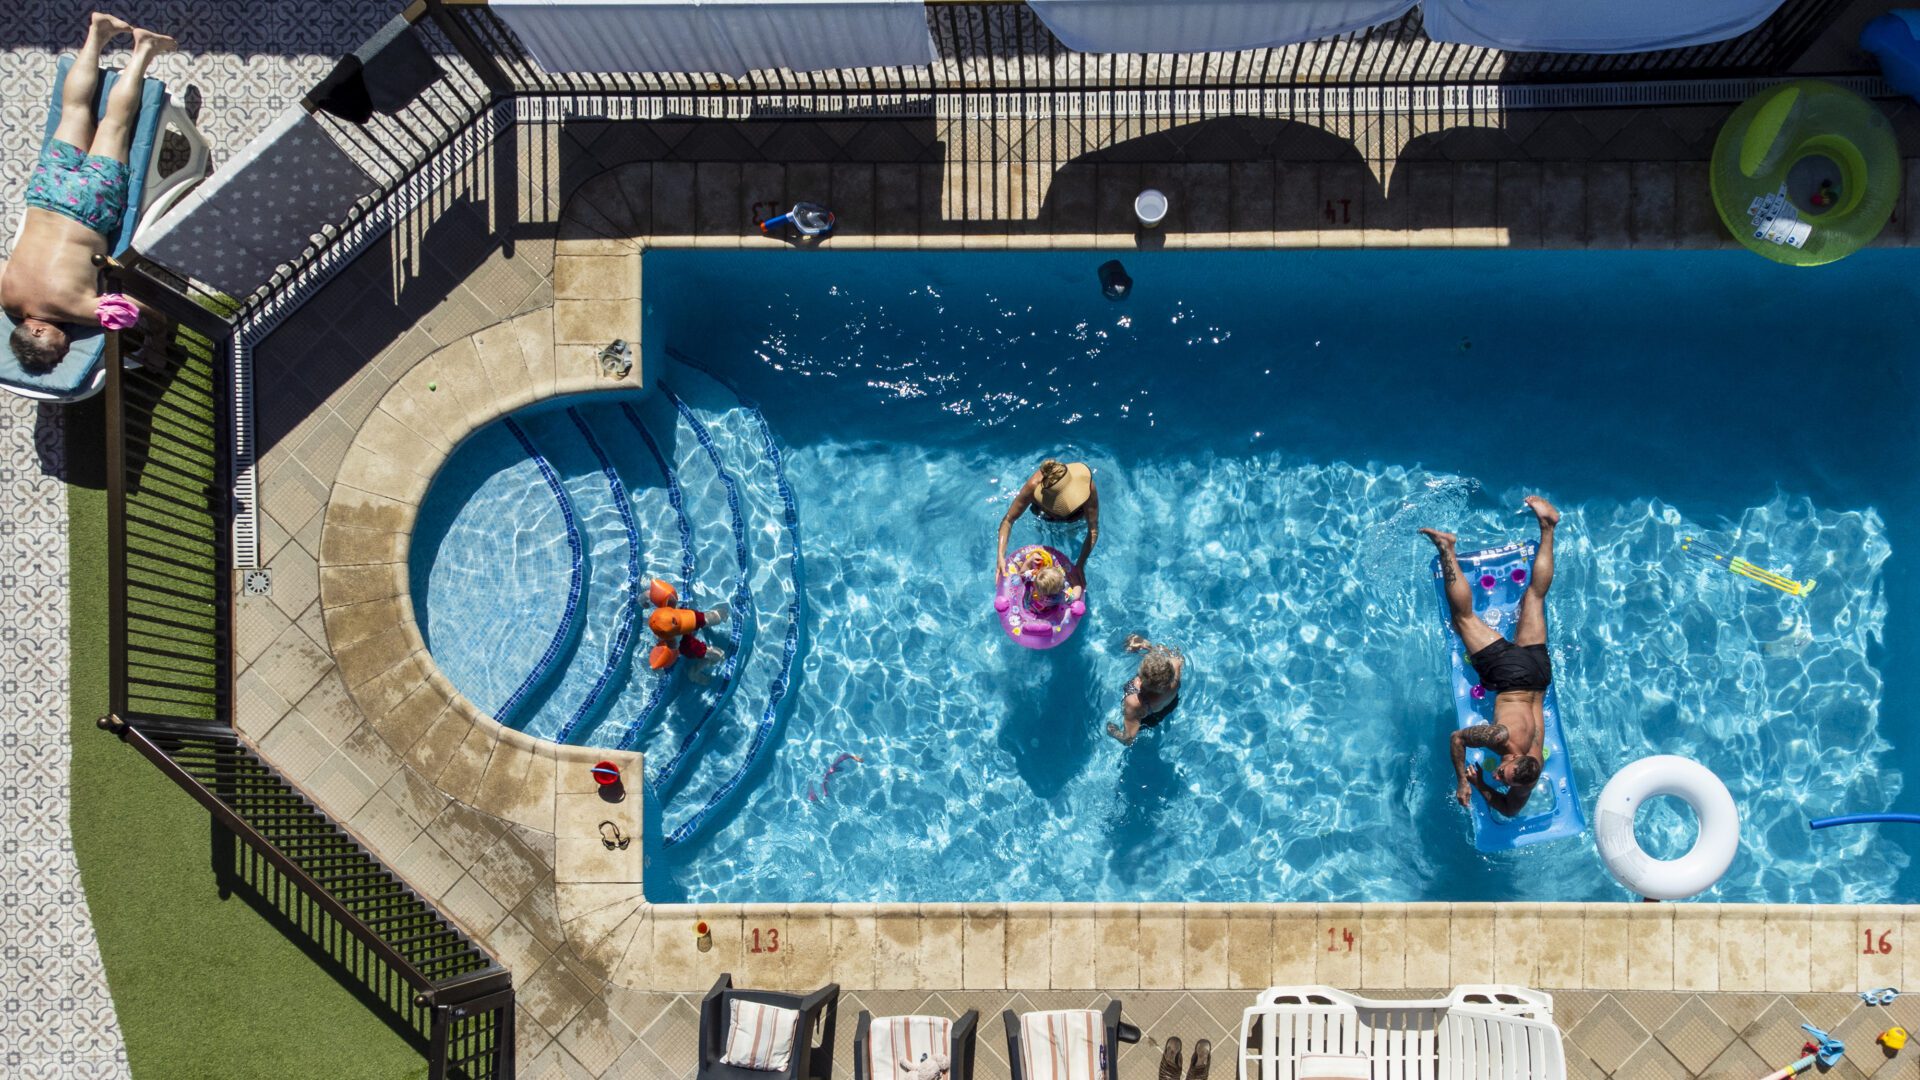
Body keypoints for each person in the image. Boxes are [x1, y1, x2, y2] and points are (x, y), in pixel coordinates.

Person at [0, 14, 175, 373]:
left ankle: (144, 48)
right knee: (74, 110)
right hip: (46, 194)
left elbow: (142, 310)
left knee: (115, 124)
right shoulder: (6, 296)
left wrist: (158, 339)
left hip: (88, 204)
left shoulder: (72, 310)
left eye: (53, 351)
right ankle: (97, 33)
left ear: (34, 329)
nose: (64, 352)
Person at [1420, 495, 1560, 816]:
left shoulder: (1529, 771)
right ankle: (1447, 547)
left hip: (1539, 677)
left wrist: (1486, 785)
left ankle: (1548, 527)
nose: (1500, 776)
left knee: (1535, 597)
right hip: (1510, 676)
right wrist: (1464, 782)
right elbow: (1458, 739)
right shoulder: (1499, 737)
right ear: (1513, 758)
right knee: (1464, 619)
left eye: (1503, 779)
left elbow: (1510, 810)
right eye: (1503, 771)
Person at [995, 459, 1100, 584]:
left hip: (1074, 521)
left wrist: (1081, 563)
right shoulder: (1032, 488)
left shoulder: (1086, 486)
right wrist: (1000, 556)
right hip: (1045, 517)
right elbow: (1008, 520)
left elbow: (1092, 529)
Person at [1107, 634, 1184, 745]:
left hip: (1148, 718)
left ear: (1141, 681)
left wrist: (1113, 732)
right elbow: (1176, 658)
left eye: (1139, 675)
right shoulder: (1176, 668)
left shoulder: (1135, 703)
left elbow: (1128, 739)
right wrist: (1150, 648)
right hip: (1170, 704)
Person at [644, 579, 729, 676]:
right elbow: (668, 655)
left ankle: (716, 617)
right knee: (715, 655)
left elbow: (649, 594)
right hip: (684, 642)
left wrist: (642, 600)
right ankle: (694, 672)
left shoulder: (667, 605)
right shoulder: (672, 642)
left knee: (702, 618)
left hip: (684, 616)